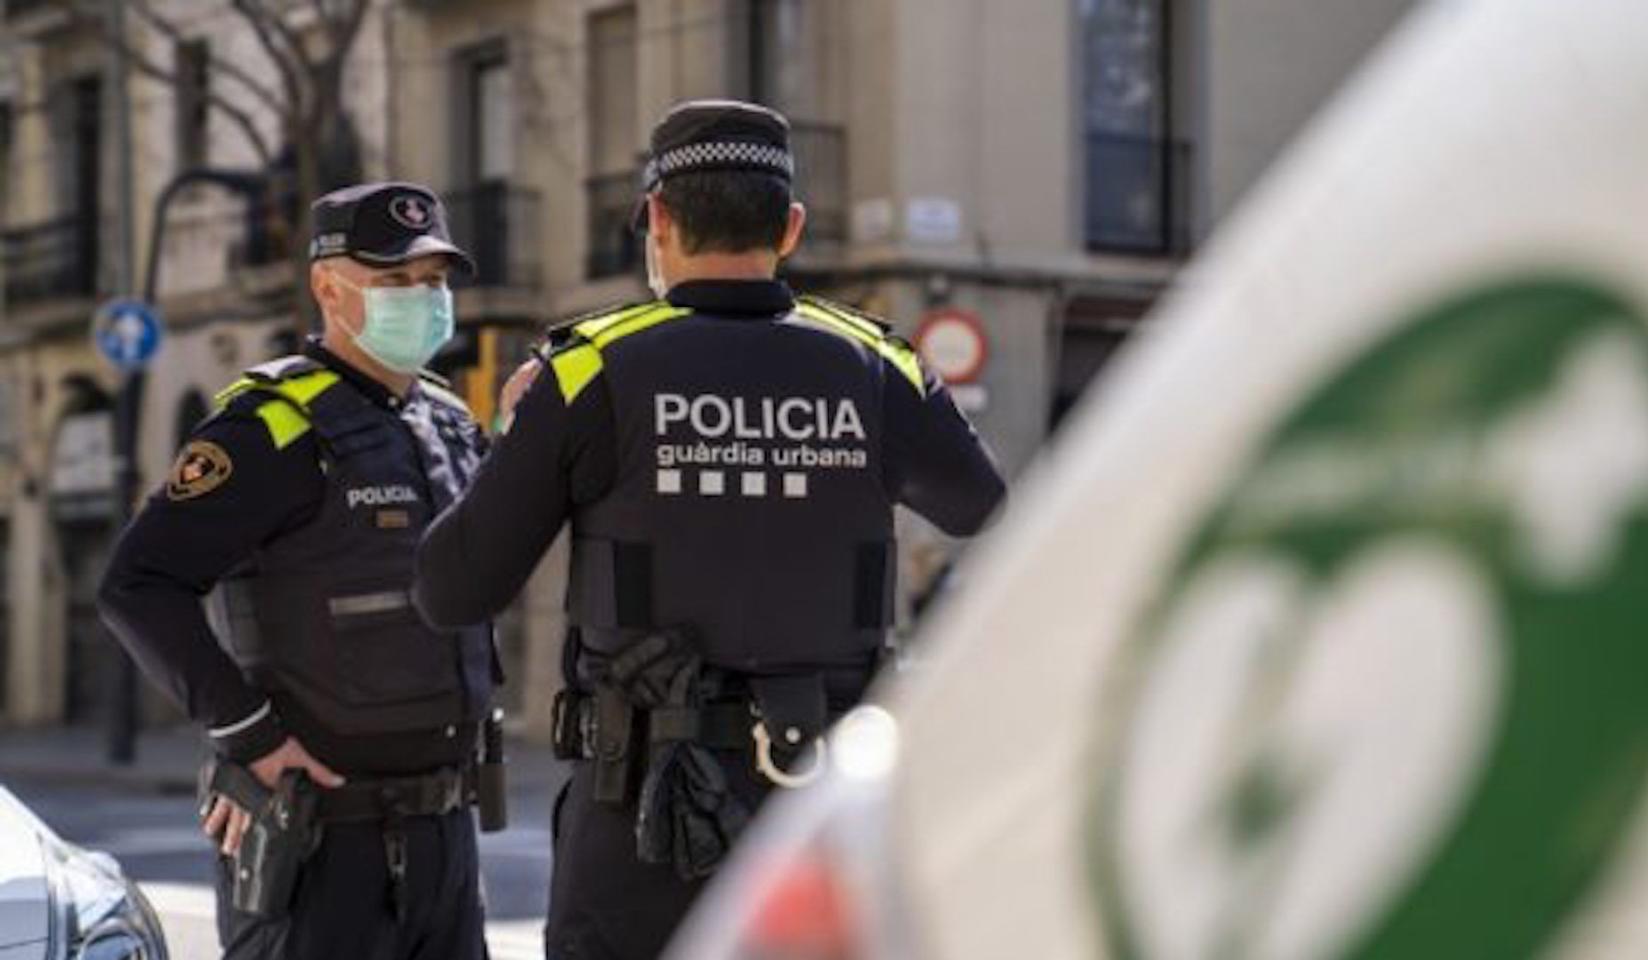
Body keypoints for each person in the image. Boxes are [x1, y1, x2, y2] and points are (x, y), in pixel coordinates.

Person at [413, 99, 1008, 960]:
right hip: (814, 820)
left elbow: (452, 588)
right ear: (791, 227)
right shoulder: (876, 362)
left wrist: (518, 430)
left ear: (657, 219)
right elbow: (976, 503)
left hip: (639, 827)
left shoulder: (586, 371)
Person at [99, 182, 500, 960]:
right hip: (315, 840)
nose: (423, 299)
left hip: (445, 836)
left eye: (434, 281)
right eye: (394, 281)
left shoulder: (449, 424)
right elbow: (136, 586)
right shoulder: (270, 428)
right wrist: (248, 735)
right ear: (328, 287)